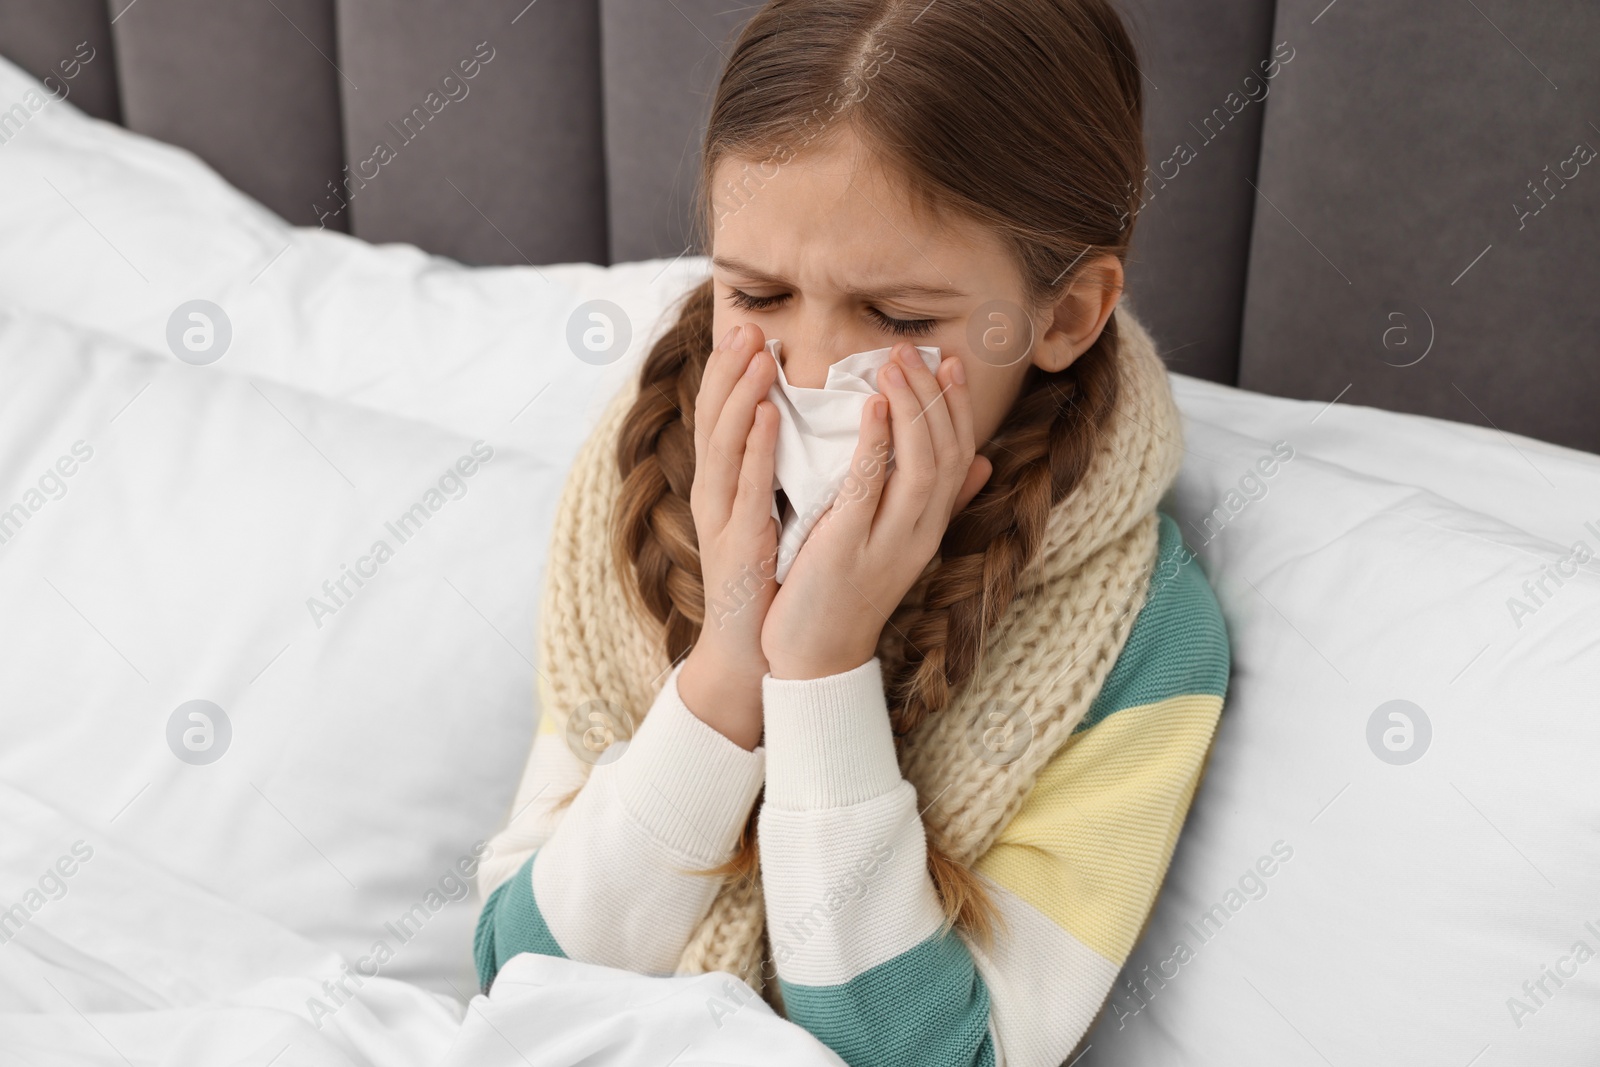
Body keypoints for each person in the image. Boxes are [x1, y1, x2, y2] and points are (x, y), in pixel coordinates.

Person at [474, 2, 1230, 1063]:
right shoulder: (643, 477)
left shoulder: (1142, 638)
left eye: (901, 319)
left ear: (1062, 317)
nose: (816, 373)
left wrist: (823, 669)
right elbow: (516, 976)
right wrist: (727, 670)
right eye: (757, 293)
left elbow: (951, 1057)